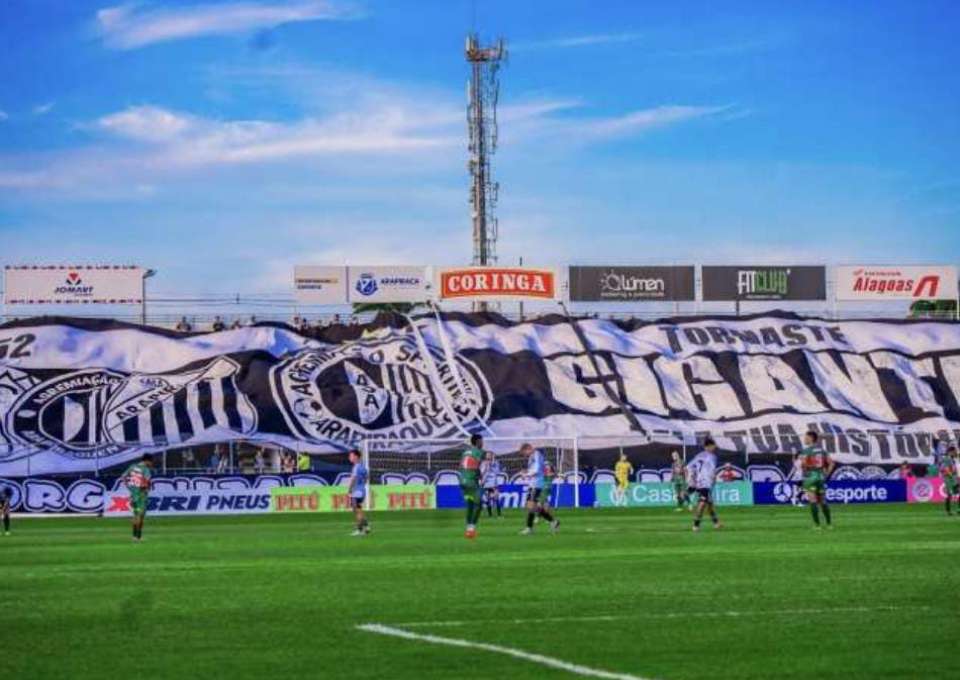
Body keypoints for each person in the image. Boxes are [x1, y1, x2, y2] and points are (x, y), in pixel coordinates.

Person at [519, 443, 559, 535]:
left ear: (528, 448)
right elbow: (533, 469)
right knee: (532, 507)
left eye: (525, 453)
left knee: (531, 506)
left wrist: (527, 474)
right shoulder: (532, 456)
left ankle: (529, 528)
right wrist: (526, 472)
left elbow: (537, 470)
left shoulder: (536, 454)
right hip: (533, 484)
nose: (525, 455)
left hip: (537, 484)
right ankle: (553, 522)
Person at [799, 430, 835, 529]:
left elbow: (803, 465)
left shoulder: (806, 451)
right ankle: (829, 524)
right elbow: (832, 463)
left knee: (813, 501)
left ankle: (817, 525)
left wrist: (802, 466)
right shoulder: (822, 451)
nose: (804, 439)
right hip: (820, 477)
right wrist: (826, 475)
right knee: (823, 501)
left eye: (806, 438)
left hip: (810, 477)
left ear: (811, 438)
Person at [687, 438, 722, 532]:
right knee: (702, 503)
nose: (714, 447)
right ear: (709, 446)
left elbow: (689, 466)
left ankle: (716, 523)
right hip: (705, 483)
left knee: (709, 503)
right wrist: (713, 479)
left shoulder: (698, 455)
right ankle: (696, 525)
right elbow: (712, 470)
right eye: (713, 446)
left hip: (699, 482)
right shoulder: (712, 456)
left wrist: (692, 480)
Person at [122, 454, 154, 542]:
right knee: (141, 516)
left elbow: (123, 476)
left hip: (133, 495)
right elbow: (147, 481)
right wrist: (147, 488)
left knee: (136, 515)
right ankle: (138, 537)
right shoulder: (145, 469)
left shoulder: (132, 466)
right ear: (147, 461)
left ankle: (135, 537)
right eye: (151, 462)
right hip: (141, 495)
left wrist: (129, 487)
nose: (151, 464)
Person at [459, 434, 486, 538]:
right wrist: (480, 476)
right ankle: (471, 528)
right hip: (471, 481)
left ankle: (468, 529)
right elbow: (478, 463)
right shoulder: (479, 452)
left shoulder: (465, 452)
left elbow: (461, 466)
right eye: (482, 441)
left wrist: (477, 475)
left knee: (470, 504)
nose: (483, 443)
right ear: (478, 441)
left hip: (463, 480)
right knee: (479, 504)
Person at [347, 449, 370, 536]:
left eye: (351, 456)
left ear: (356, 457)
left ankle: (360, 530)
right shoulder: (363, 467)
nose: (349, 458)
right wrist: (362, 484)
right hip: (362, 490)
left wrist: (349, 489)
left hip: (356, 491)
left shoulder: (356, 467)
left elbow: (353, 479)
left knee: (357, 511)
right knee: (358, 510)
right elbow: (367, 477)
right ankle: (366, 527)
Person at [479, 451, 503, 519]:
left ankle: (499, 515)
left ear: (492, 456)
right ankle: (490, 515)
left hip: (493, 483)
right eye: (487, 455)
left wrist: (492, 465)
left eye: (490, 455)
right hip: (486, 483)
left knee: (496, 498)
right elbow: (481, 473)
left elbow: (497, 471)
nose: (488, 456)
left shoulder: (495, 462)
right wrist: (486, 468)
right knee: (488, 499)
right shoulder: (483, 463)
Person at [939, 446, 959, 516]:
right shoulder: (947, 459)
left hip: (953, 478)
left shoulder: (952, 459)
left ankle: (957, 509)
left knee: (956, 493)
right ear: (951, 452)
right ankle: (948, 511)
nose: (955, 452)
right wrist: (951, 476)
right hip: (949, 479)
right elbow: (946, 469)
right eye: (954, 451)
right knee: (949, 494)